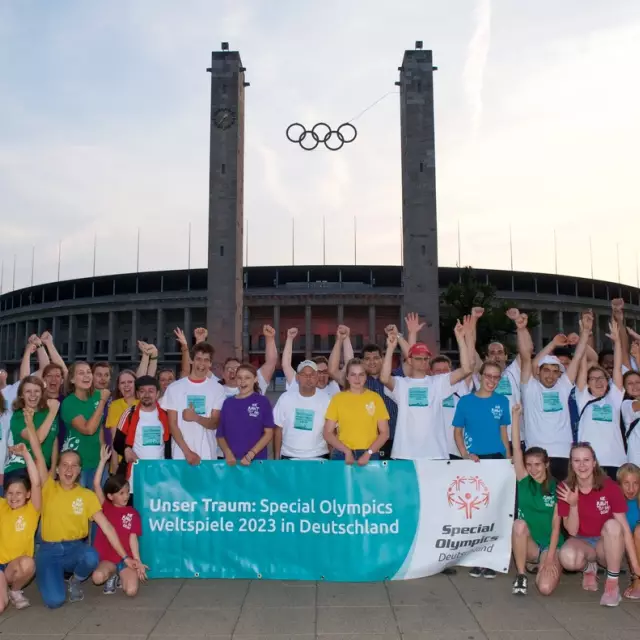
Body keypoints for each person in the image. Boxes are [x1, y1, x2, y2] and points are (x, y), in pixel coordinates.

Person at [35, 448, 140, 608]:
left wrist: (126, 558)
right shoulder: (48, 487)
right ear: (57, 469)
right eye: (64, 465)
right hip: (49, 550)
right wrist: (29, 427)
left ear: (79, 470)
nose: (69, 469)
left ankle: (75, 580)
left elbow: (107, 527)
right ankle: (52, 576)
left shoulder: (87, 496)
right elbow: (39, 455)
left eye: (74, 465)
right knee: (55, 601)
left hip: (74, 548)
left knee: (91, 556)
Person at [557, 443, 640, 606]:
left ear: (594, 462)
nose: (582, 465)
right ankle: (589, 567)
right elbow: (572, 531)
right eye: (577, 461)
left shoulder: (610, 486)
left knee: (614, 525)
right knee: (567, 557)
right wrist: (573, 505)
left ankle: (612, 586)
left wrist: (636, 568)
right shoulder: (565, 487)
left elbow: (624, 527)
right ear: (571, 464)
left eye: (586, 460)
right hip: (582, 541)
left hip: (606, 543)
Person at [452, 359, 511, 579]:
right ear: (480, 376)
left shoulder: (503, 401)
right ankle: (477, 559)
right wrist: (466, 454)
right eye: (488, 376)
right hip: (474, 461)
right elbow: (457, 433)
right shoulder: (466, 402)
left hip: (497, 460)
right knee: (477, 512)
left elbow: (504, 433)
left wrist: (509, 458)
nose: (492, 381)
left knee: (496, 512)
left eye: (496, 377)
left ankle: (492, 559)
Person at [380, 319, 472, 460]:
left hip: (435, 453)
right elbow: (385, 378)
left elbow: (466, 369)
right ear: (409, 361)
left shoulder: (438, 382)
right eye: (418, 358)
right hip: (405, 453)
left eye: (425, 358)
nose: (423, 362)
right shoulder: (401, 384)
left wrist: (460, 339)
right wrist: (390, 349)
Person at [517, 312, 590, 481]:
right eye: (546, 370)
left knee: (562, 502)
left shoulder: (563, 386)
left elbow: (578, 357)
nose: (550, 376)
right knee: (537, 503)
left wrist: (585, 332)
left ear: (560, 374)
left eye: (555, 371)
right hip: (536, 457)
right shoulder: (529, 388)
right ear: (539, 371)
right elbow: (525, 356)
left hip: (563, 455)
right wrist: (521, 329)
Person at [510, 404, 563, 597]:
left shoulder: (558, 487)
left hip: (550, 545)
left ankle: (548, 564)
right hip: (529, 544)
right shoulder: (524, 480)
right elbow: (516, 446)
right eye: (529, 465)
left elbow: (557, 526)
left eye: (537, 465)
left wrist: (549, 558)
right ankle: (521, 574)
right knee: (518, 524)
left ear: (546, 464)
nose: (533, 469)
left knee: (545, 588)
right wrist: (515, 417)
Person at [0, 419, 46, 611]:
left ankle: (16, 590)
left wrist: (26, 454)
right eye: (10, 493)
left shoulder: (32, 509)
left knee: (28, 564)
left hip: (16, 565)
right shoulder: (2, 505)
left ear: (27, 494)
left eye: (18, 493)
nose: (13, 497)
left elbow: (35, 482)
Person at [91, 446, 147, 596]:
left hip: (126, 559)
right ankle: (112, 574)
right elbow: (96, 484)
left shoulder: (133, 513)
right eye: (121, 493)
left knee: (131, 591)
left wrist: (137, 560)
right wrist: (103, 461)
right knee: (97, 578)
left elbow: (133, 538)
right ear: (110, 496)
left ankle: (120, 576)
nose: (126, 496)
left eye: (127, 492)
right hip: (108, 558)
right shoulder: (105, 507)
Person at [576, 319, 626, 480]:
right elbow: (582, 365)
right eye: (593, 378)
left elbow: (617, 367)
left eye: (602, 378)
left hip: (616, 461)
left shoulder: (615, 398)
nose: (598, 381)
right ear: (587, 383)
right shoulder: (583, 398)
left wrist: (617, 342)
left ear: (607, 381)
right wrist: (584, 335)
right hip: (590, 463)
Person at [162, 343, 225, 465]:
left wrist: (196, 417)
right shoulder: (174, 388)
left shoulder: (217, 388)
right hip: (181, 455)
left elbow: (215, 423)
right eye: (198, 359)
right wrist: (187, 453)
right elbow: (172, 424)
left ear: (210, 363)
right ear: (192, 360)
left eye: (206, 360)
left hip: (207, 455)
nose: (202, 364)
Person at [113, 376, 171, 500]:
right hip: (134, 477)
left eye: (151, 391)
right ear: (137, 394)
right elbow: (117, 442)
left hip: (159, 477)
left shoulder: (166, 416)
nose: (146, 394)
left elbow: (170, 445)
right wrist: (126, 450)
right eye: (142, 391)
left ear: (157, 394)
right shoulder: (129, 413)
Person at [323, 359, 390, 465]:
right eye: (353, 374)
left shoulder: (375, 398)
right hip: (342, 454)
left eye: (361, 374)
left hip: (370, 454)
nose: (357, 379)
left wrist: (368, 453)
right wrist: (346, 451)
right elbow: (327, 433)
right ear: (347, 377)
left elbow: (385, 433)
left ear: (366, 376)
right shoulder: (337, 399)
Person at [60, 362, 111, 488]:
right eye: (81, 373)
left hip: (98, 463)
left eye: (88, 372)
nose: (86, 376)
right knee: (78, 505)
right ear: (72, 379)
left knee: (99, 504)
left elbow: (100, 428)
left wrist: (104, 458)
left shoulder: (97, 396)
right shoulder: (69, 403)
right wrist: (102, 402)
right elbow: (88, 429)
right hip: (77, 464)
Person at [4, 376, 59, 480]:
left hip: (43, 468)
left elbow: (54, 440)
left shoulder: (48, 413)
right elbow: (38, 439)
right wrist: (52, 412)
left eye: (37, 391)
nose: (33, 395)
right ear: (21, 395)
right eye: (28, 391)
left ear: (42, 393)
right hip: (21, 468)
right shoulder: (19, 416)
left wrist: (53, 468)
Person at [217, 364, 275, 465]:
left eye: (247, 378)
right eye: (239, 378)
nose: (242, 381)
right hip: (232, 462)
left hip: (256, 461)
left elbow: (269, 433)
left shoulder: (262, 402)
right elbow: (220, 435)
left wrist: (251, 454)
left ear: (255, 379)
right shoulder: (228, 403)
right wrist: (227, 452)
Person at [273, 360, 331, 460]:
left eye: (312, 375)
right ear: (297, 377)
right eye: (304, 375)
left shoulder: (327, 399)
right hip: (289, 456)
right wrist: (277, 458)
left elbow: (331, 430)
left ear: (317, 377)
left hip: (319, 456)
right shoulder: (285, 398)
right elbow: (278, 429)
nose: (308, 378)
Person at [282, 329, 340, 397]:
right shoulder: (300, 384)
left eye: (325, 372)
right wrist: (290, 338)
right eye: (318, 372)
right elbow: (286, 365)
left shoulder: (333, 386)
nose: (322, 376)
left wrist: (341, 340)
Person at [617, 463, 640, 598]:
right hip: (624, 548)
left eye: (635, 483)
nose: (631, 489)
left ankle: (637, 580)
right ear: (619, 484)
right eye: (626, 483)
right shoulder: (616, 501)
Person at [621, 370, 640, 466]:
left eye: (638, 382)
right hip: (636, 461)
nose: (635, 386)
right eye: (630, 383)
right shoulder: (626, 404)